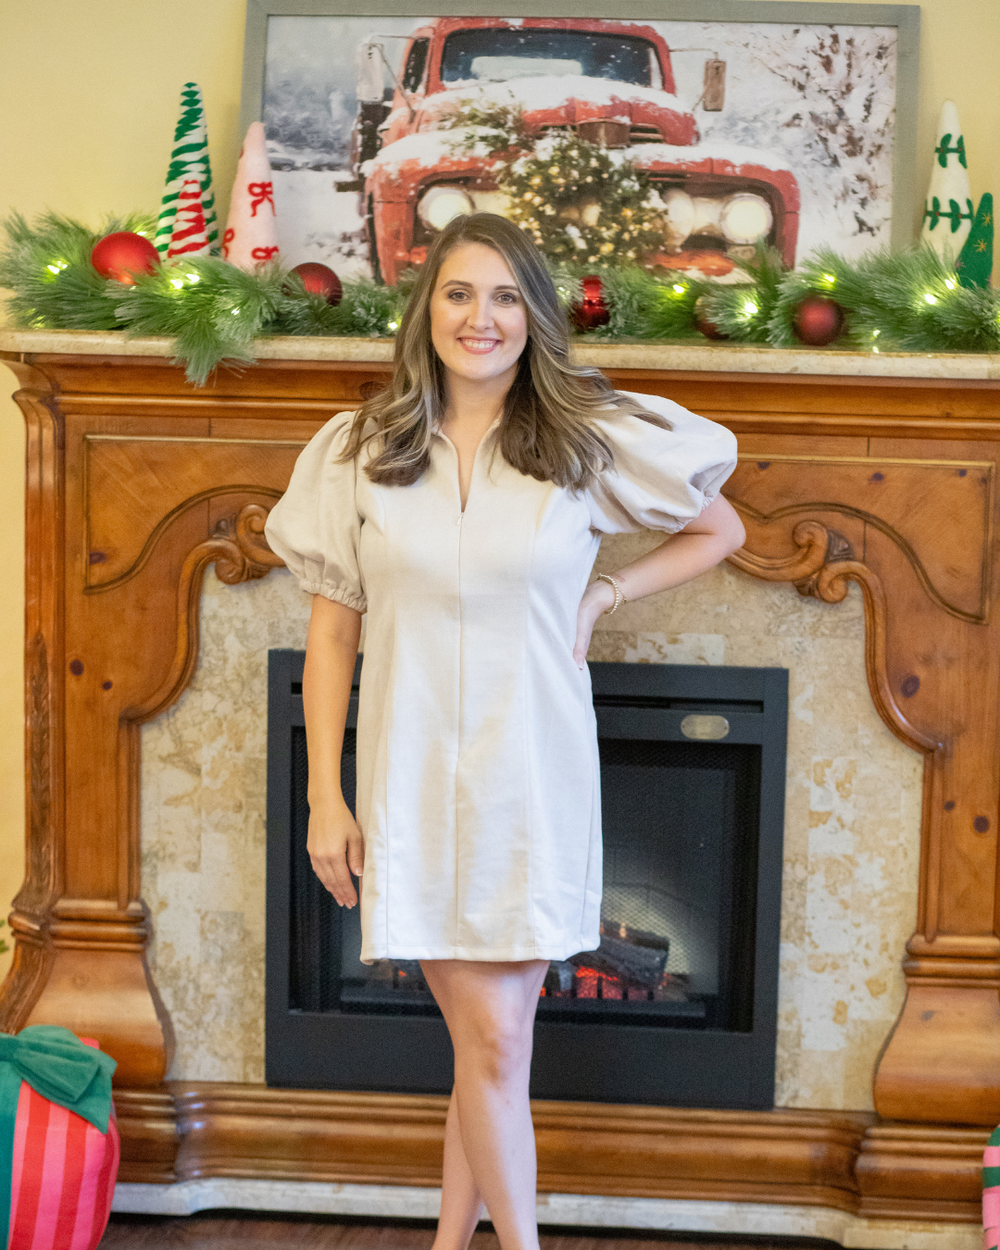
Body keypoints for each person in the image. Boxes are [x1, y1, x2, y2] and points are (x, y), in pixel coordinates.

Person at [264, 212, 744, 1250]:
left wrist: (605, 592)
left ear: (531, 316)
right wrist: (325, 795)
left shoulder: (579, 442)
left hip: (534, 778)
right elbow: (333, 634)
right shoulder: (360, 449)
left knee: (494, 1041)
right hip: (410, 779)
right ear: (423, 308)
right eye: (457, 293)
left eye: (503, 297)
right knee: (490, 1041)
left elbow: (720, 527)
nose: (479, 318)